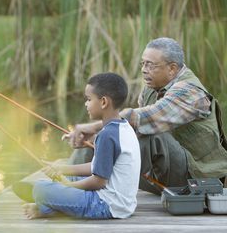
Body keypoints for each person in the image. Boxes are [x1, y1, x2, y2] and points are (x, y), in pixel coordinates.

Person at [66, 37, 227, 194]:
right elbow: (127, 132)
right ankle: (67, 185)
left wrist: (94, 126)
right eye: (143, 64)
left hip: (195, 179)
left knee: (150, 135)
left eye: (150, 65)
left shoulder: (190, 92)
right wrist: (96, 138)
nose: (144, 70)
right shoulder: (150, 89)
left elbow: (146, 118)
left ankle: (82, 188)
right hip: (158, 175)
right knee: (103, 137)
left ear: (172, 68)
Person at [14, 73, 141, 219]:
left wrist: (69, 187)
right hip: (124, 204)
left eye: (88, 99)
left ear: (104, 102)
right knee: (64, 180)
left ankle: (45, 204)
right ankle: (51, 201)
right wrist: (61, 169)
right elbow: (96, 167)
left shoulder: (107, 135)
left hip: (105, 205)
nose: (86, 104)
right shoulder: (123, 127)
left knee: (42, 189)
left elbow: (98, 181)